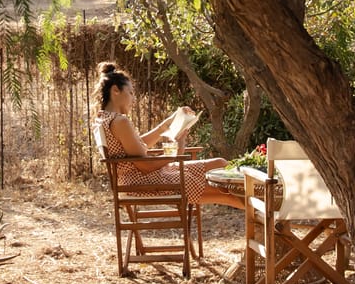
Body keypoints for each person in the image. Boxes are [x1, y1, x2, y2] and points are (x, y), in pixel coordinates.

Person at [92, 63, 244, 210]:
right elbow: (145, 166)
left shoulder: (106, 119)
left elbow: (137, 146)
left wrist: (168, 123)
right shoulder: (120, 121)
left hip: (141, 177)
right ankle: (260, 223)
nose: (133, 99)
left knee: (221, 163)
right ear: (115, 90)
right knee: (227, 191)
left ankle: (259, 221)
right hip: (140, 180)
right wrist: (173, 154)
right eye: (131, 93)